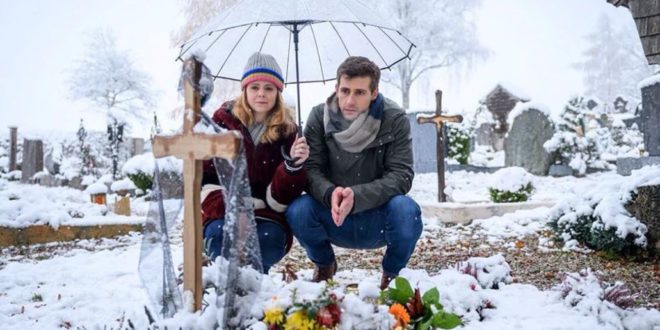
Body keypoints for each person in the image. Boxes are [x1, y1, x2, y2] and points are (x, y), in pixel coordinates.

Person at [286, 56, 422, 289]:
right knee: (298, 210)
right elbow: (311, 170)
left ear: (374, 92)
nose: (350, 100)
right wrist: (330, 193)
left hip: (377, 214)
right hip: (333, 212)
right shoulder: (319, 116)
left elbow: (401, 175)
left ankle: (392, 275)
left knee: (407, 211)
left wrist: (357, 196)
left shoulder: (394, 118)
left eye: (359, 93)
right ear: (336, 88)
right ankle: (325, 265)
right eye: (345, 90)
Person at [201, 52, 309, 274]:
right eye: (255, 87)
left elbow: (281, 200)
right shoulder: (222, 122)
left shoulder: (289, 132)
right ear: (244, 90)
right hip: (224, 209)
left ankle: (257, 290)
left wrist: (293, 166)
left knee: (266, 242)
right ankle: (222, 293)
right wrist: (235, 207)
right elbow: (206, 179)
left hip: (267, 214)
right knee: (222, 238)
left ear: (278, 93)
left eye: (269, 88)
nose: (261, 94)